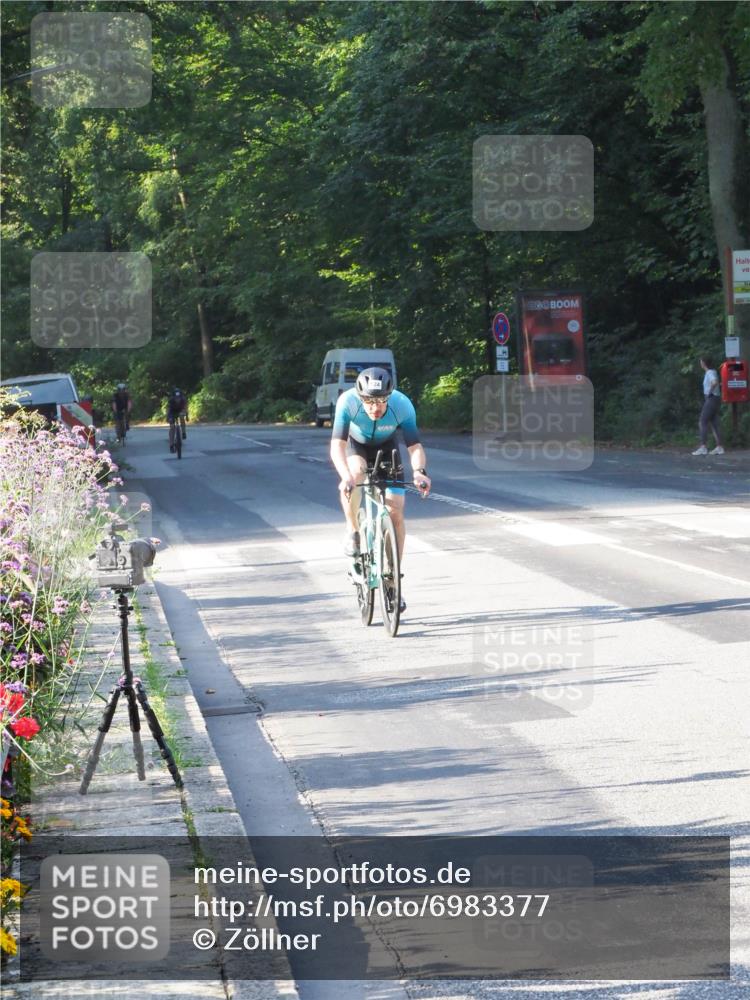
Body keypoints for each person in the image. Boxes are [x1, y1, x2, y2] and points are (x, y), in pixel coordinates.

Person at [330, 367, 431, 610]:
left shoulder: (402, 404)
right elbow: (337, 446)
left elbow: (414, 446)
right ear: (360, 397)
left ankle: (393, 578)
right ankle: (353, 530)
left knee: (396, 510)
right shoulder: (347, 402)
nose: (375, 408)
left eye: (381, 401)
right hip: (358, 447)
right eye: (370, 401)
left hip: (388, 448)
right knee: (355, 474)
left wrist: (419, 473)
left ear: (390, 396)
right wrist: (345, 478)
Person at [692, 357, 724, 456]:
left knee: (702, 421)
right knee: (714, 423)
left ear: (704, 363)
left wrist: (710, 392)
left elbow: (714, 382)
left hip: (711, 398)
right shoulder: (713, 371)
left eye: (701, 361)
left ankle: (703, 447)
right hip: (716, 399)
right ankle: (719, 447)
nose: (700, 363)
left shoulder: (709, 372)